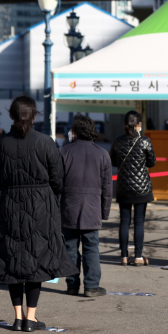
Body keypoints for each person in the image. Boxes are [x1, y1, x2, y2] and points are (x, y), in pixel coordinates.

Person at [0, 96, 77, 333]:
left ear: (11, 115)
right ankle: (32, 318)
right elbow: (57, 177)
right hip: (41, 204)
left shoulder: (0, 143)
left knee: (12, 258)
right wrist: (49, 195)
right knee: (37, 257)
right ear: (34, 115)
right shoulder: (45, 142)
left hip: (9, 203)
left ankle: (17, 317)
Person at [60, 115, 112, 297]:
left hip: (69, 207)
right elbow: (107, 187)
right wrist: (105, 212)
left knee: (70, 248)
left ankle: (72, 285)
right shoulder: (102, 154)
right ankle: (91, 286)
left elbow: (57, 185)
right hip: (92, 207)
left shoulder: (64, 152)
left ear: (75, 131)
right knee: (91, 247)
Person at [109, 111, 157, 266]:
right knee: (139, 222)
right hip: (141, 188)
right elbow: (152, 162)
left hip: (123, 186)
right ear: (138, 125)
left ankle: (123, 256)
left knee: (124, 221)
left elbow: (113, 161)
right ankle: (137, 256)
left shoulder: (117, 141)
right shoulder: (145, 141)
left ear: (125, 124)